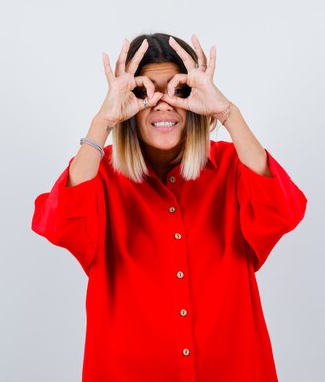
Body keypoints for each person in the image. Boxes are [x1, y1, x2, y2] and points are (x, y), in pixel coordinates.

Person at [31, 33, 308, 382]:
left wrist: (227, 113)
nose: (163, 104)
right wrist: (102, 123)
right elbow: (58, 224)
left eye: (179, 91)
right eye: (144, 92)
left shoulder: (232, 167)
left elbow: (284, 211)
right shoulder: (98, 175)